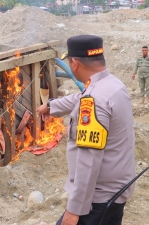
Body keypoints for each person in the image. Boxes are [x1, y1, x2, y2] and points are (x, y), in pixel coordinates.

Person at [36, 35, 136, 225]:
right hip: (117, 190)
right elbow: (81, 97)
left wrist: (74, 210)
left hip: (97, 200)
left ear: (74, 63)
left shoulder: (95, 101)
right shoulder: (112, 85)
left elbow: (88, 161)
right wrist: (51, 106)